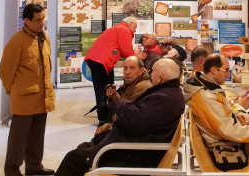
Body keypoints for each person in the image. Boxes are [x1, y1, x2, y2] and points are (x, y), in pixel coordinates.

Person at [55, 59, 185, 176]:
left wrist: (120, 101)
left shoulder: (163, 97)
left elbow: (135, 120)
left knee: (73, 158)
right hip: (130, 146)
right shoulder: (168, 93)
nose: (150, 74)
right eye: (125, 68)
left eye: (153, 71)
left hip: (131, 154)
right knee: (81, 149)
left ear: (160, 77)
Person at [0, 4, 55, 176]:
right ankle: (12, 170)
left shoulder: (44, 38)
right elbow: (5, 71)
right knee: (18, 138)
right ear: (27, 21)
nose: (42, 22)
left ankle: (34, 166)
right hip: (24, 99)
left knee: (37, 135)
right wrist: (13, 92)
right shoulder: (17, 41)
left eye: (43, 18)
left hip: (42, 96)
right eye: (38, 20)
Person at [85, 17, 137, 122]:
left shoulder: (118, 28)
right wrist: (137, 60)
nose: (135, 31)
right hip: (101, 61)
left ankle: (107, 113)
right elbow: (127, 51)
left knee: (106, 87)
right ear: (130, 23)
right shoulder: (124, 29)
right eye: (135, 27)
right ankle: (104, 117)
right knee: (104, 88)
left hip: (98, 60)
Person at [97, 56, 152, 127]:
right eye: (125, 68)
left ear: (141, 71)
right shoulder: (132, 83)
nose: (127, 72)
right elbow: (126, 105)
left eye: (132, 68)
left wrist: (106, 127)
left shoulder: (142, 87)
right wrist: (115, 97)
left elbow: (127, 115)